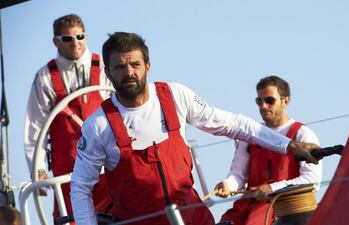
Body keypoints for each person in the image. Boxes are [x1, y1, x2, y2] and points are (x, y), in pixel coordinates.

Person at [70, 32, 320, 225]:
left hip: (194, 219)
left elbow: (233, 124)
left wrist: (288, 145)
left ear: (148, 66)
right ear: (108, 73)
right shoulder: (98, 126)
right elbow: (81, 187)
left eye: (135, 64)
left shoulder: (176, 96)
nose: (129, 73)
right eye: (120, 67)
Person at [23, 14, 113, 223]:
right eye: (68, 38)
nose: (75, 43)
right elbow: (34, 130)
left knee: (117, 214)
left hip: (106, 163)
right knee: (71, 219)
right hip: (68, 172)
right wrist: (39, 171)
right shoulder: (45, 76)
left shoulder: (106, 68)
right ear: (56, 41)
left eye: (80, 36)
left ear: (86, 37)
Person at [214, 76, 322, 225]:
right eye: (259, 101)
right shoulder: (249, 136)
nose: (263, 106)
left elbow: (312, 181)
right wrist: (228, 184)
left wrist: (272, 188)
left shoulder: (302, 134)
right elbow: (238, 175)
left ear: (286, 101)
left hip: (283, 209)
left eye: (269, 100)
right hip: (247, 207)